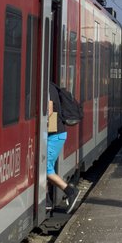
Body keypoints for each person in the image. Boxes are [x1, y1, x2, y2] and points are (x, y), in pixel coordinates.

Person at [47, 81, 79, 214]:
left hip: (55, 135)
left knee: (45, 168)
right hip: (54, 135)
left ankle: (70, 191)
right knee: (46, 168)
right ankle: (47, 201)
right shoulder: (51, 86)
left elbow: (48, 111)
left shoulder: (47, 88)